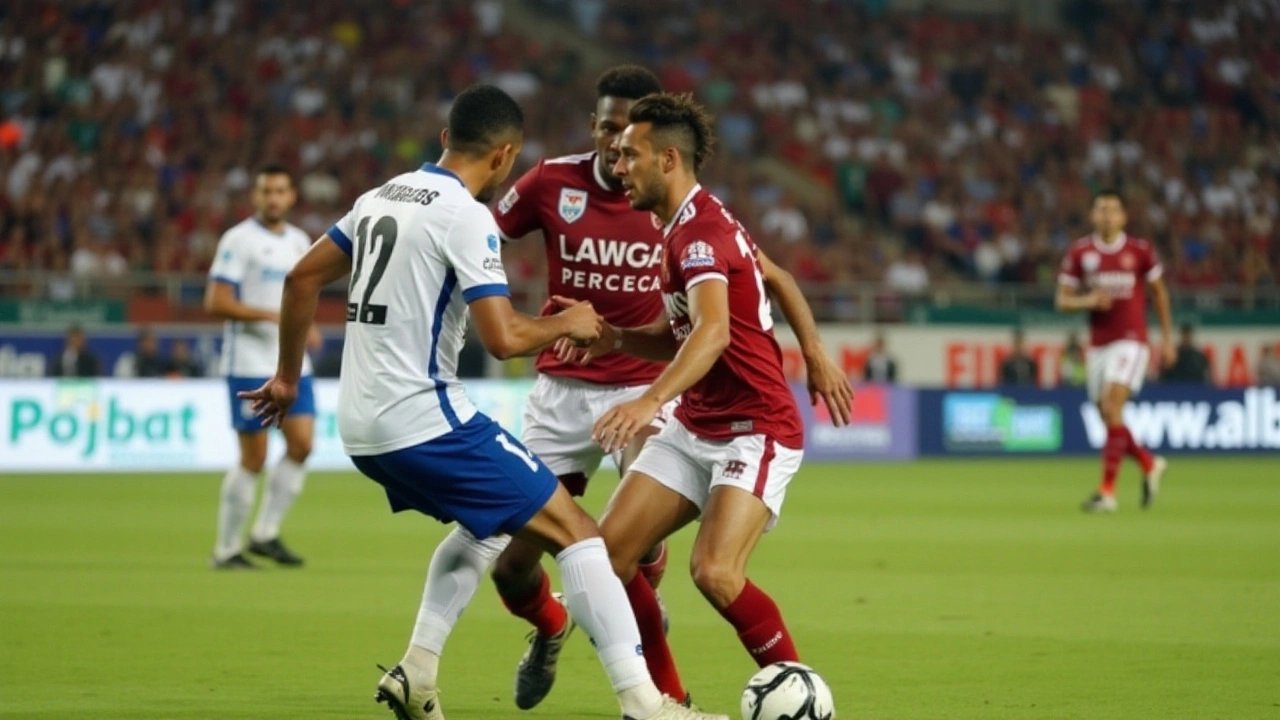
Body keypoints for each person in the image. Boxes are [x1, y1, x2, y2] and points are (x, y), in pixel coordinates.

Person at [238, 84, 726, 720]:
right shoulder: (465, 214)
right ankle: (645, 704)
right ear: (504, 156)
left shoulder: (380, 195)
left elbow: (302, 277)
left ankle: (417, 670)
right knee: (579, 536)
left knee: (484, 526)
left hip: (359, 427)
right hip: (425, 419)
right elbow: (503, 340)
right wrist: (567, 323)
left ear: (445, 139)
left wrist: (286, 378)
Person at [492, 66, 851, 709]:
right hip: (696, 425)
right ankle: (670, 703)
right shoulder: (679, 224)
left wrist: (648, 397)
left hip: (756, 426)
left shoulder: (700, 235)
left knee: (714, 573)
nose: (617, 162)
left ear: (667, 158)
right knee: (607, 558)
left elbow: (711, 334)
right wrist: (620, 341)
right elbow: (693, 325)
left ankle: (801, 693)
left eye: (629, 153)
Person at [204, 164, 322, 569]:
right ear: (255, 196)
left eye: (280, 190)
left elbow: (301, 293)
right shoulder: (238, 240)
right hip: (250, 363)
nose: (273, 198)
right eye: (266, 191)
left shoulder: (300, 240)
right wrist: (270, 317)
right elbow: (216, 301)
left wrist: (308, 327)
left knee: (302, 445)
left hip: (293, 363)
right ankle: (226, 550)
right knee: (253, 457)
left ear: (291, 197)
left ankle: (265, 533)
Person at [1056, 189, 1174, 512]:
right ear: (1093, 215)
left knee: (1111, 406)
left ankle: (1107, 492)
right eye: (1101, 209)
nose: (1107, 215)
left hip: (1131, 339)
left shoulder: (1140, 251)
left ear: (1123, 216)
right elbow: (1062, 300)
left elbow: (1160, 294)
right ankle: (1149, 463)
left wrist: (1166, 338)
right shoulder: (1081, 252)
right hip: (1097, 345)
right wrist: (1088, 301)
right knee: (1108, 416)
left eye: (1113, 210)